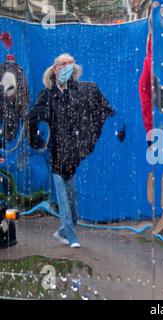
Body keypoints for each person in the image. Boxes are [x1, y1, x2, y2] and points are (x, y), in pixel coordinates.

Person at [28, 53, 115, 248]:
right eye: (63, 64)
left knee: (73, 201)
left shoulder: (81, 91)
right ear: (55, 69)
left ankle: (63, 231)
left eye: (71, 63)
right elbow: (32, 120)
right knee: (64, 199)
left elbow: (100, 109)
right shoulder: (47, 95)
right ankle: (72, 236)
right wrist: (41, 143)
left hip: (72, 155)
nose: (68, 66)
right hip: (57, 155)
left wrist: (108, 120)